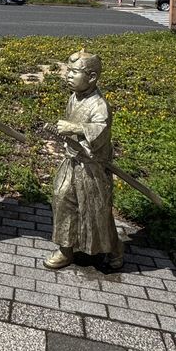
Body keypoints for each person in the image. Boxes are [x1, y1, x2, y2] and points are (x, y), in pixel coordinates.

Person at [44, 49, 123, 271]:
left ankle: (115, 249)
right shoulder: (74, 97)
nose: (68, 75)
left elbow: (100, 130)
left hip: (92, 169)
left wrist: (75, 128)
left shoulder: (99, 105)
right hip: (72, 162)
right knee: (62, 200)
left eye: (75, 72)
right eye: (68, 71)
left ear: (92, 77)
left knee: (97, 211)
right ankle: (65, 249)